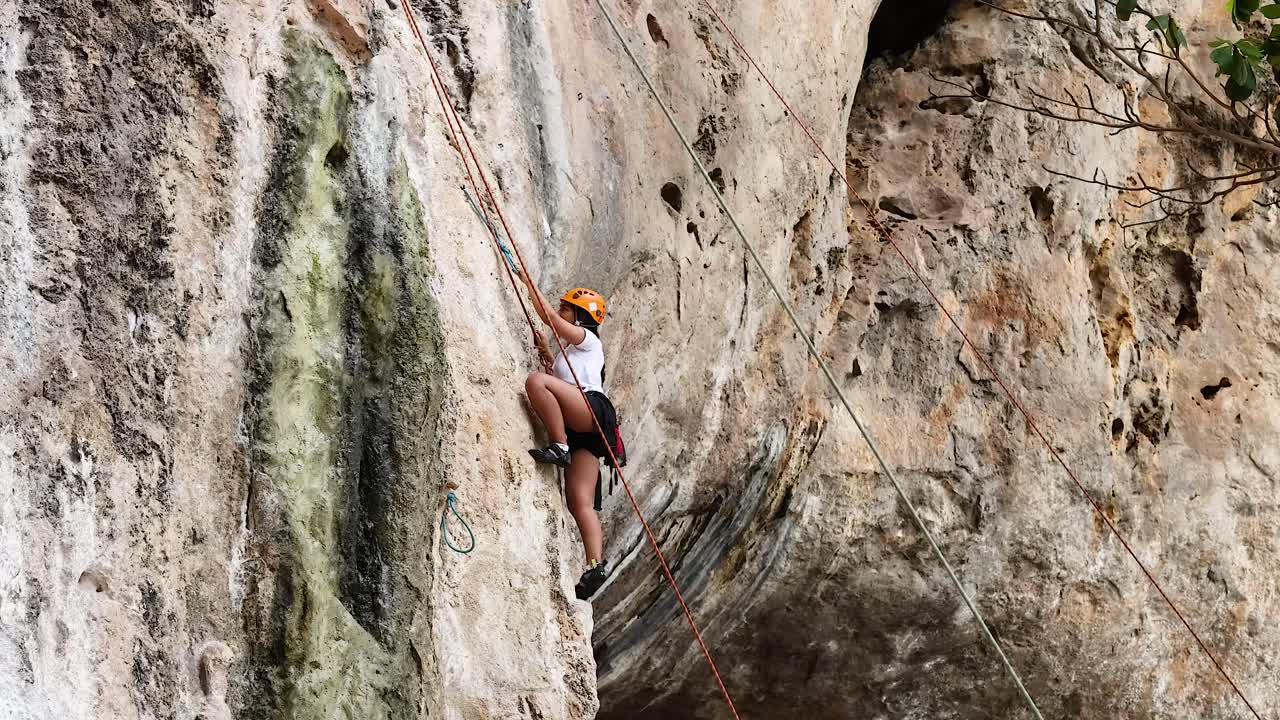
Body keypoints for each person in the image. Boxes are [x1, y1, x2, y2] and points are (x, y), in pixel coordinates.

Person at [520, 278, 617, 600]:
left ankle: (559, 446)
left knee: (536, 382)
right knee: (580, 502)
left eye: (567, 309)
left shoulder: (589, 339)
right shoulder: (574, 352)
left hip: (589, 408)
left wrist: (525, 281)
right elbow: (565, 379)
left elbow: (549, 317)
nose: (561, 312)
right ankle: (595, 565)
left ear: (581, 317)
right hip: (586, 424)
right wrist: (548, 354)